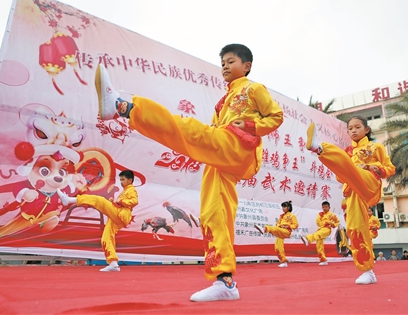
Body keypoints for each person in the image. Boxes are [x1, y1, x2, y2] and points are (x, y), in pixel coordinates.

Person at [94, 44, 284, 301]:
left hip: (240, 147)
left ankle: (123, 107)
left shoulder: (254, 88)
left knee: (191, 131)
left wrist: (251, 124)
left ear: (247, 66)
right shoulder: (223, 102)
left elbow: (276, 116)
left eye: (230, 61)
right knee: (213, 213)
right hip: (222, 158)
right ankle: (225, 282)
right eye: (223, 63)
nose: (225, 66)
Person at [306, 116, 395, 284]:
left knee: (354, 169)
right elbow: (341, 177)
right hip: (352, 191)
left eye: (357, 127)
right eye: (350, 128)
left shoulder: (376, 147)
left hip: (370, 184)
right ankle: (367, 271)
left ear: (366, 130)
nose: (353, 130)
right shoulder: (347, 151)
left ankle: (320, 148)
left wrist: (372, 167)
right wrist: (350, 170)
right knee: (354, 230)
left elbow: (390, 168)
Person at [57, 170, 138, 272]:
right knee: (106, 238)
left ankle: (70, 200)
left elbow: (134, 201)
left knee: (98, 200)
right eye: (120, 180)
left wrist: (121, 202)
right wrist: (116, 202)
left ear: (130, 180)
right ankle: (113, 263)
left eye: (123, 180)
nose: (121, 182)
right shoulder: (125, 190)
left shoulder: (131, 190)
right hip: (118, 216)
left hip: (121, 214)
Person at [255, 201, 298, 267]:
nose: (283, 208)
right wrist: (280, 225)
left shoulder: (292, 216)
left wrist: (287, 226)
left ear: (288, 207)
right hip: (280, 231)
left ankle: (265, 229)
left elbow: (295, 225)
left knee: (275, 229)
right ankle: (283, 261)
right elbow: (277, 224)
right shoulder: (281, 216)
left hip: (286, 231)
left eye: (284, 207)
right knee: (277, 247)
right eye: (282, 207)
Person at [300, 201, 340, 266]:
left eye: (326, 207)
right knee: (319, 244)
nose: (324, 208)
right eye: (323, 207)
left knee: (317, 235)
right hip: (320, 229)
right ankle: (323, 260)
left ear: (329, 207)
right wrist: (325, 222)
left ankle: (308, 239)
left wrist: (332, 224)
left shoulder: (332, 215)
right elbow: (318, 222)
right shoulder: (320, 214)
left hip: (327, 229)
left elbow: (337, 222)